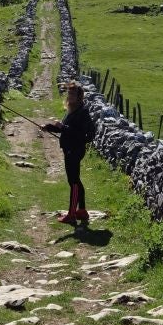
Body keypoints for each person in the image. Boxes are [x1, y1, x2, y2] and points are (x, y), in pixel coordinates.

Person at [42, 81, 95, 223]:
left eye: (73, 94)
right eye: (69, 93)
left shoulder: (82, 112)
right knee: (76, 180)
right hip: (70, 149)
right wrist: (50, 127)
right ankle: (82, 210)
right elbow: (64, 129)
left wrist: (63, 127)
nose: (70, 96)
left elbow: (78, 133)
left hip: (75, 150)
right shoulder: (72, 109)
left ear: (79, 96)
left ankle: (72, 214)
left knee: (73, 182)